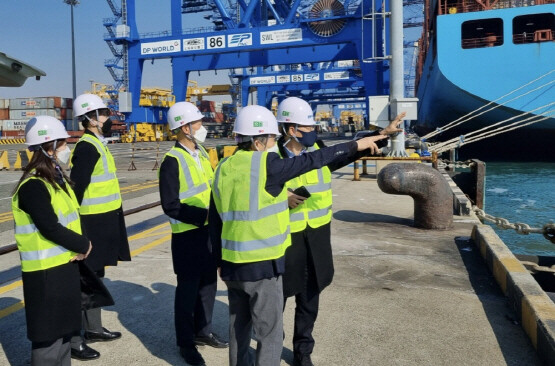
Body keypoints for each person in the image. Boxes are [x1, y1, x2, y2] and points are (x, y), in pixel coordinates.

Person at [209, 105, 387, 366]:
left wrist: (219, 262)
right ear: (259, 142)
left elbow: (215, 218)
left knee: (239, 328)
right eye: (271, 138)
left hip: (232, 265)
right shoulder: (267, 164)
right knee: (270, 335)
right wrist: (356, 145)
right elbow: (313, 160)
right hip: (262, 264)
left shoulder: (223, 166)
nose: (274, 144)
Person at [276, 97, 405, 366]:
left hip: (317, 238)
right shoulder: (272, 157)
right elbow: (253, 190)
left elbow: (349, 152)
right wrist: (281, 197)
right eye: (307, 127)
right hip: (285, 240)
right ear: (291, 129)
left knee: (310, 298)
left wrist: (381, 135)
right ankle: (272, 344)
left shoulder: (320, 150)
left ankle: (303, 353)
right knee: (279, 298)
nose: (313, 132)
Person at [12, 116, 92, 365]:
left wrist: (79, 246)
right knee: (48, 340)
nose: (65, 149)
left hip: (63, 268)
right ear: (49, 146)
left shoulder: (56, 181)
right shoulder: (33, 186)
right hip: (45, 275)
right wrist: (83, 245)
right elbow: (49, 227)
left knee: (65, 334)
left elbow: (70, 220)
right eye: (62, 144)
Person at [159, 102, 228, 365]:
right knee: (187, 292)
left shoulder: (200, 153)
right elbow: (171, 205)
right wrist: (205, 216)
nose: (202, 128)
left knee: (209, 286)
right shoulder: (171, 161)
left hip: (208, 233)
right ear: (185, 128)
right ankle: (186, 344)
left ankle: (203, 331)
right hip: (187, 237)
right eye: (198, 124)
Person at [69, 93, 131, 360]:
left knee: (96, 276)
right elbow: (76, 191)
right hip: (90, 223)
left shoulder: (98, 144)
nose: (108, 117)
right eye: (103, 113)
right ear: (90, 119)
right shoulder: (86, 148)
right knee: (83, 282)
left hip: (104, 221)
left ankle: (93, 329)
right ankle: (75, 339)